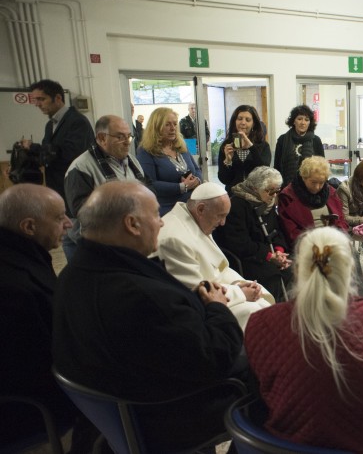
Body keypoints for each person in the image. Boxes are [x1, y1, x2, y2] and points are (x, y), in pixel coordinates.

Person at [53, 181, 246, 452]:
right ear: (132, 224)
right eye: (156, 215)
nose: (162, 223)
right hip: (162, 415)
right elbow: (215, 357)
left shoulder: (70, 276)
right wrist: (217, 307)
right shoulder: (140, 296)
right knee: (272, 380)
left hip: (116, 407)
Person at [245, 227, 363, 453]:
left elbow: (258, 402)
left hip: (286, 446)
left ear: (297, 271)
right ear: (350, 271)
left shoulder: (260, 324)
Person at [0, 185, 91, 451]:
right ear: (29, 226)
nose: (68, 223)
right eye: (59, 217)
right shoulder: (13, 285)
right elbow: (36, 360)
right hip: (25, 409)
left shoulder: (21, 257)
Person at [157, 182, 275, 329]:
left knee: (263, 304)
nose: (223, 223)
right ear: (201, 209)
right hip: (200, 310)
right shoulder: (174, 240)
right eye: (221, 216)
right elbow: (196, 293)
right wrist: (240, 293)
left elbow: (220, 267)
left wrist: (239, 283)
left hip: (220, 291)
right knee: (256, 313)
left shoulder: (197, 219)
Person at [64, 115, 149, 257]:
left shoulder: (132, 161)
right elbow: (80, 209)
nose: (127, 142)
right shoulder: (81, 167)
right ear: (102, 138)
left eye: (128, 136)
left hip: (125, 238)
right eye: (120, 137)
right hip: (93, 245)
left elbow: (148, 186)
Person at [213, 167, 293, 303]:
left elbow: (278, 230)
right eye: (270, 191)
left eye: (276, 191)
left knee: (293, 268)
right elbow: (238, 242)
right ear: (255, 188)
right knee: (272, 276)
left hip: (269, 253)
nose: (274, 195)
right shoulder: (237, 205)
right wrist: (269, 256)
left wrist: (279, 252)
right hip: (249, 257)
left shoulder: (267, 202)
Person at [26, 79, 94, 202]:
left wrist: (33, 147)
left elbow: (72, 154)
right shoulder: (50, 125)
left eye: (41, 99)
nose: (37, 104)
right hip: (56, 187)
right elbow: (47, 155)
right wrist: (25, 158)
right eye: (36, 100)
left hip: (74, 188)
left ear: (58, 98)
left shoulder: (77, 121)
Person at [137, 107, 202, 215]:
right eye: (167, 124)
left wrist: (197, 180)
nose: (173, 128)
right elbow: (149, 184)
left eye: (175, 124)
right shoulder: (146, 151)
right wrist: (181, 187)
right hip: (167, 210)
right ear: (156, 127)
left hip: (192, 207)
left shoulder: (181, 146)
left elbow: (196, 169)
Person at [278, 155, 349, 247]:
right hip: (306, 245)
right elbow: (291, 231)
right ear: (303, 177)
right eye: (313, 182)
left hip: (332, 241)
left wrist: (338, 236)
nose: (317, 187)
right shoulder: (287, 196)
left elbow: (341, 220)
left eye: (321, 182)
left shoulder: (331, 192)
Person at [217, 105, 271, 194]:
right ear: (235, 121)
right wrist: (228, 161)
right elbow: (224, 180)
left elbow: (264, 173)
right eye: (240, 118)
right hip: (234, 197)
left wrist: (251, 147)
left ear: (253, 123)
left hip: (257, 196)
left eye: (248, 120)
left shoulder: (263, 145)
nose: (243, 122)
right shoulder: (226, 145)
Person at [274, 104, 324, 188]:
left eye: (306, 120)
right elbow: (277, 167)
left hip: (311, 187)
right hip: (287, 187)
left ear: (310, 123)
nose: (303, 123)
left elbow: (322, 167)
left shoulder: (316, 140)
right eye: (299, 119)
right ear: (294, 121)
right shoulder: (282, 139)